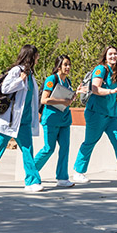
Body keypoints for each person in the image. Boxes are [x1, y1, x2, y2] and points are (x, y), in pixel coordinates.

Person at [0, 44, 44, 192]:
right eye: (36, 55)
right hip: (9, 121)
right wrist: (20, 80)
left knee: (27, 150)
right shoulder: (16, 71)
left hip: (23, 122)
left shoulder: (31, 74)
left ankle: (32, 182)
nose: (38, 58)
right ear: (30, 56)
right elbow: (5, 88)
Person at [71, 46, 117, 185]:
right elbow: (95, 89)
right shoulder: (101, 69)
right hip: (96, 113)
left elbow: (114, 93)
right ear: (105, 56)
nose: (113, 56)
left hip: (111, 114)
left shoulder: (115, 73)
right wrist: (111, 92)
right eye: (110, 54)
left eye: (115, 54)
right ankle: (78, 172)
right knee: (90, 142)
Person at [33, 54, 77, 187]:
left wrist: (73, 96)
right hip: (51, 119)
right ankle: (31, 171)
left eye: (69, 64)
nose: (68, 67)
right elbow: (44, 100)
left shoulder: (68, 81)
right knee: (49, 148)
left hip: (64, 119)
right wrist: (64, 100)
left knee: (65, 148)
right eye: (65, 64)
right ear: (58, 66)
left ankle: (62, 178)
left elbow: (66, 99)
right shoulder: (51, 79)